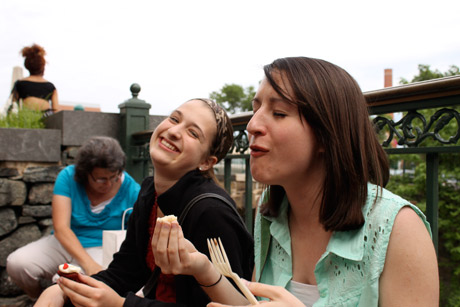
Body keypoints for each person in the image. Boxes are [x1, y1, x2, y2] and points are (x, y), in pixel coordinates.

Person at [149, 57, 440, 307]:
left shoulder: (399, 229)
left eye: (278, 113)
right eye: (256, 109)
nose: (252, 125)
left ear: (327, 134)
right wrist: (204, 269)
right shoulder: (273, 210)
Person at [34, 98, 254, 307]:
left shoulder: (211, 213)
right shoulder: (150, 191)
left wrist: (121, 304)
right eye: (175, 119)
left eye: (193, 133)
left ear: (206, 162)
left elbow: (216, 304)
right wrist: (63, 288)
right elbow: (126, 271)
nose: (174, 131)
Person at [7, 136, 141, 299]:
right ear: (85, 173)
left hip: (102, 247)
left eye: (114, 177)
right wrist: (88, 264)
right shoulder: (68, 177)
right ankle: (38, 298)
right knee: (18, 263)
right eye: (101, 179)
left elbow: (137, 236)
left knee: (71, 286)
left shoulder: (133, 189)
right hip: (65, 241)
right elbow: (61, 228)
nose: (109, 184)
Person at [11, 43, 59, 113]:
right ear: (43, 66)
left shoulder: (20, 84)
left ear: (27, 66)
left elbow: (12, 106)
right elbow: (56, 111)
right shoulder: (51, 87)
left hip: (26, 119)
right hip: (46, 119)